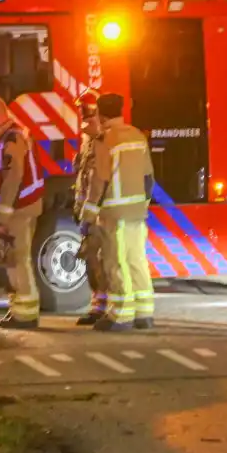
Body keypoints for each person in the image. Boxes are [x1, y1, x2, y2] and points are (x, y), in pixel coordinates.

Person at [78, 93, 156, 331]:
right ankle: (144, 312)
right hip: (136, 211)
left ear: (101, 115)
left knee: (115, 262)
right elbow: (148, 177)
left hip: (114, 213)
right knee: (136, 260)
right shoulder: (137, 135)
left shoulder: (105, 140)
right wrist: (143, 204)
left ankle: (120, 315)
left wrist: (87, 216)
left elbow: (99, 182)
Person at [0, 96, 44, 330]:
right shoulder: (12, 135)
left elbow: (12, 179)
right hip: (21, 207)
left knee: (17, 260)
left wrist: (2, 217)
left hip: (18, 210)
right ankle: (19, 311)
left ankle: (25, 315)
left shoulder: (11, 138)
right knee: (14, 260)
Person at [72, 90, 109, 326]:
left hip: (99, 211)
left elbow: (98, 179)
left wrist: (90, 211)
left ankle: (104, 307)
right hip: (87, 209)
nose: (83, 117)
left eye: (86, 112)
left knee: (100, 260)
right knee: (91, 260)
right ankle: (98, 305)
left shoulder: (102, 140)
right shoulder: (88, 141)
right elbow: (83, 175)